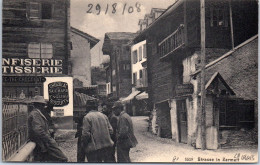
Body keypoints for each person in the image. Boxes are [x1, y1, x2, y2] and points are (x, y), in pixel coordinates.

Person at [28, 95, 68, 162]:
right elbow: (38, 130)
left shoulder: (38, 113)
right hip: (43, 141)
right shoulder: (35, 114)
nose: (44, 106)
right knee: (63, 158)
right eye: (43, 105)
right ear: (39, 105)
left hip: (43, 142)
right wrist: (48, 138)